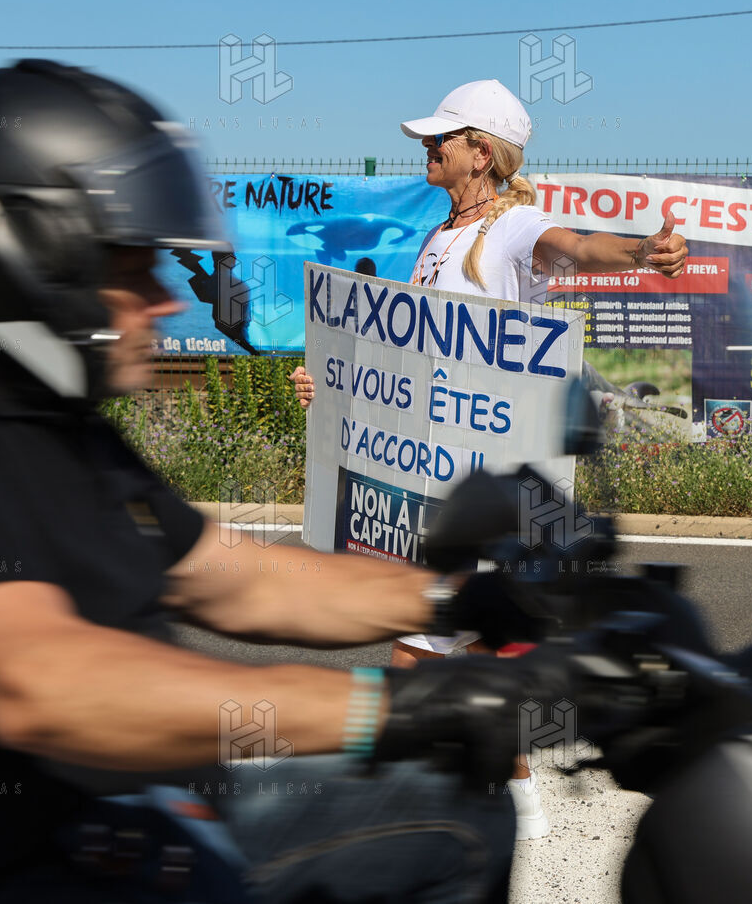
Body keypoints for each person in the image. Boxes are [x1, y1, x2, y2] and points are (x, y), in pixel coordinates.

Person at [0, 60, 575, 904]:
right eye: (132, 269)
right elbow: (42, 685)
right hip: (13, 871)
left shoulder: (63, 434)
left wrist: (470, 601)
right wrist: (402, 710)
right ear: (36, 259)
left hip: (109, 826)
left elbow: (242, 580)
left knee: (459, 804)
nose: (165, 301)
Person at [289, 79, 689, 839]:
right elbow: (404, 365)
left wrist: (644, 250)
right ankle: (510, 801)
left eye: (441, 136)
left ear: (481, 152)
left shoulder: (512, 228)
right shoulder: (439, 235)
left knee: (432, 646)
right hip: (433, 473)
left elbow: (577, 248)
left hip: (486, 482)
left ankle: (453, 807)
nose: (426, 145)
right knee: (460, 644)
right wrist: (332, 385)